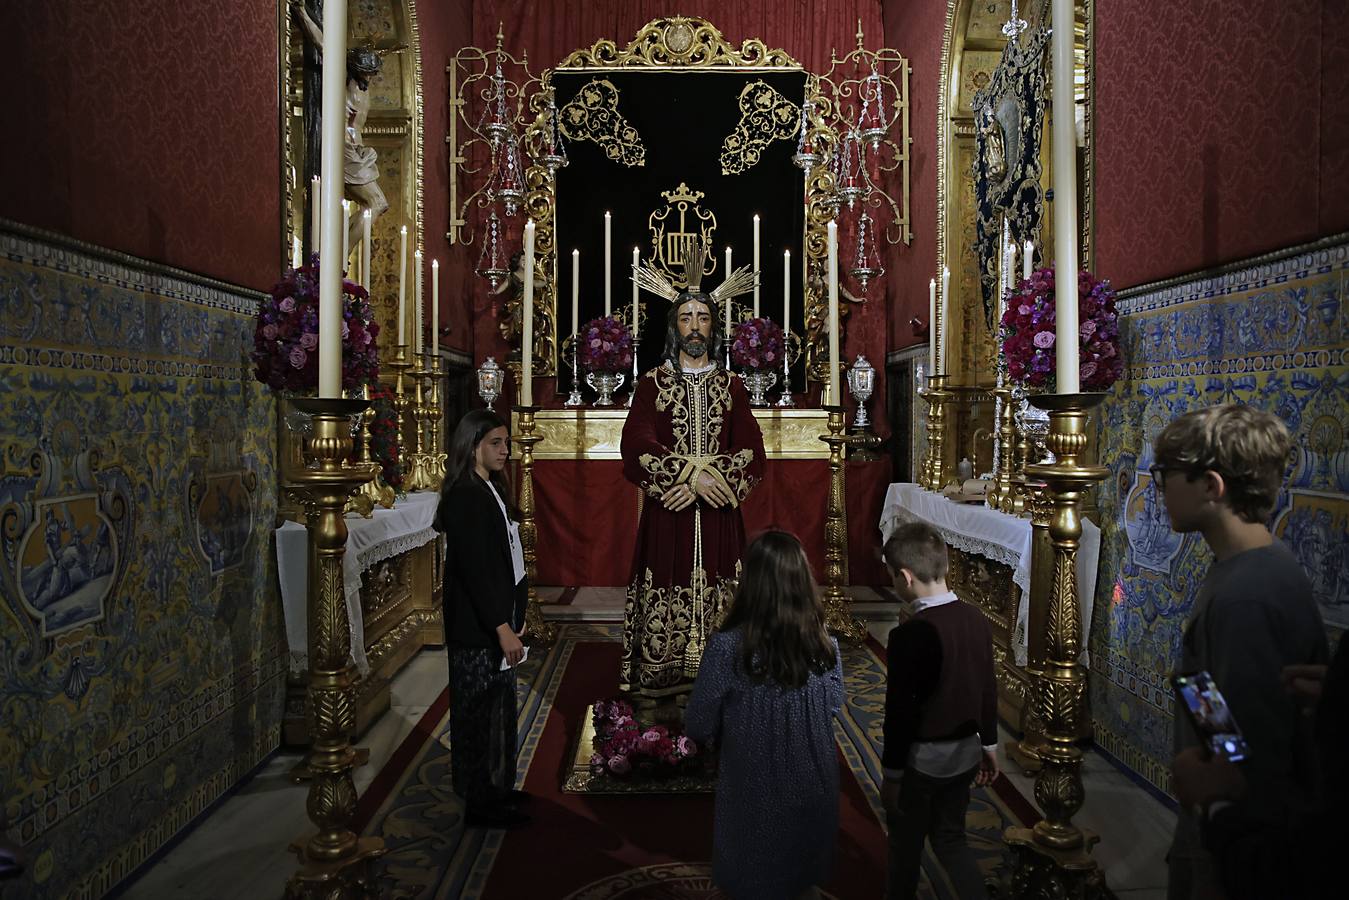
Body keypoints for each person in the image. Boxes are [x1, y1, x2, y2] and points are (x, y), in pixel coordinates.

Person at [1157, 404, 1328, 900]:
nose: (1159, 489)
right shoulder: (1249, 567)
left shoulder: (1247, 597)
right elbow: (1219, 697)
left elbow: (1248, 753)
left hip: (1236, 840)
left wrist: (1209, 791)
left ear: (1211, 487)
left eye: (1166, 476)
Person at [621, 243, 765, 704]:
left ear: (714, 326)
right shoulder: (652, 385)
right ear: (674, 327)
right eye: (686, 318)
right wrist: (686, 478)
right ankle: (662, 673)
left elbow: (752, 451)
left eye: (703, 317)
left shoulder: (731, 386)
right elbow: (635, 443)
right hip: (670, 511)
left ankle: (724, 675)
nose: (695, 326)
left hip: (720, 511)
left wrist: (710, 482)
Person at [684, 530, 843, 900]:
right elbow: (835, 703)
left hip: (755, 786)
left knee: (754, 879)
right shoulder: (825, 643)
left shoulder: (728, 646)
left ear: (750, 583)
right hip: (814, 781)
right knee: (801, 881)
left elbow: (699, 722)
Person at [880, 521, 997, 900]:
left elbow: (900, 714)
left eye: (892, 577)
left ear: (905, 577)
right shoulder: (977, 620)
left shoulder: (908, 636)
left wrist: (892, 775)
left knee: (905, 843)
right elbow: (987, 686)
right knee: (951, 839)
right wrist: (989, 745)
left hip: (921, 763)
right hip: (966, 754)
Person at [434, 410, 530, 829]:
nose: (505, 450)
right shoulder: (465, 496)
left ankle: (499, 788)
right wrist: (502, 627)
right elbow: (475, 571)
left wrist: (516, 614)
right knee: (476, 714)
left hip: (499, 618)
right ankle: (480, 801)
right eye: (495, 442)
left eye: (506, 442)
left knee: (500, 711)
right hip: (478, 627)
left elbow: (508, 555)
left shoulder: (490, 487)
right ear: (472, 445)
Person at [293, 1, 391, 251]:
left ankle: (334, 250)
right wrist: (302, 13)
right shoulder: (345, 80)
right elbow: (323, 45)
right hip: (344, 151)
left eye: (372, 72)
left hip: (358, 151)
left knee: (376, 205)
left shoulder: (363, 87)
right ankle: (339, 253)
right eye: (365, 72)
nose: (369, 77)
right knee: (378, 203)